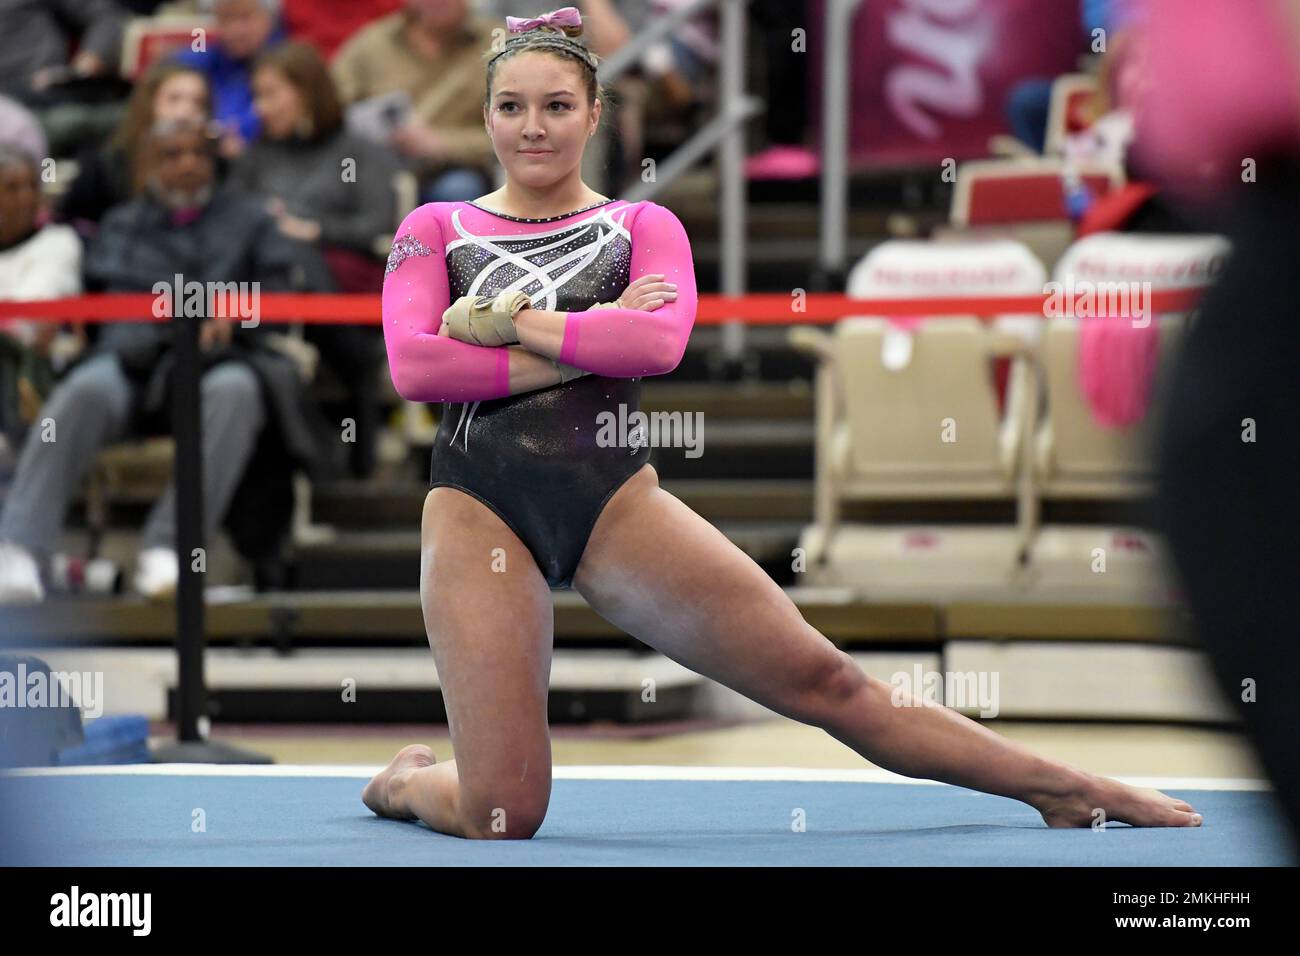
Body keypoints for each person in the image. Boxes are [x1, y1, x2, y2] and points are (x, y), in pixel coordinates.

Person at [361, 8, 1204, 840]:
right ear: (485, 116)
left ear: (594, 114)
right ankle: (407, 785)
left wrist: (505, 321)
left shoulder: (641, 226)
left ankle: (1058, 785)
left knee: (826, 678)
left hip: (609, 498)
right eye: (511, 107)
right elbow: (419, 367)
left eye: (556, 106)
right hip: (479, 505)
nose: (532, 127)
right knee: (501, 813)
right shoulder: (436, 227)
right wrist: (592, 333)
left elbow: (655, 344)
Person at [0, 118, 320, 603]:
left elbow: (280, 297)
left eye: (197, 154)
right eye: (172, 155)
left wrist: (232, 313)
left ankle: (168, 548)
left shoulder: (249, 221)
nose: (188, 165)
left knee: (236, 392)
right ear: (149, 163)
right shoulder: (121, 224)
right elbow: (109, 306)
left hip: (217, 361)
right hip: (132, 362)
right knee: (84, 390)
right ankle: (21, 548)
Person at [229, 40, 399, 476]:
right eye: (256, 96)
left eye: (270, 94)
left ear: (306, 91)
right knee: (283, 253)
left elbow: (381, 226)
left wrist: (314, 229)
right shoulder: (257, 155)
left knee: (295, 250)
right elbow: (229, 220)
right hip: (273, 285)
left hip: (347, 284)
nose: (259, 108)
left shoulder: (359, 149)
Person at [330, 0, 499, 204]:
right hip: (381, 167)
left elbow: (521, 128)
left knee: (458, 191)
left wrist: (444, 143)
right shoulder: (373, 43)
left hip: (459, 169)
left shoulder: (496, 42)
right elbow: (328, 106)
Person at [58, 61, 212, 238]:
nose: (185, 112)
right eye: (174, 99)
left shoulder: (218, 166)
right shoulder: (104, 164)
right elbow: (75, 226)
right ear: (148, 103)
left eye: (198, 102)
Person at [173, 0, 288, 160]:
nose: (236, 30)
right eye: (226, 18)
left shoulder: (288, 65)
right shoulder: (204, 58)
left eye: (246, 17)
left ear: (270, 18)